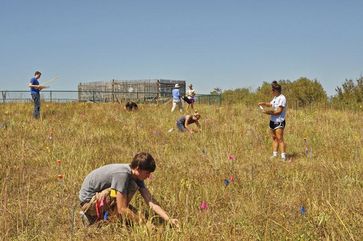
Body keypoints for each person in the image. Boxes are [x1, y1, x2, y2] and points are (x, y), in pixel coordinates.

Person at [79, 152, 179, 227]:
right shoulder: (123, 175)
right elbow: (122, 208)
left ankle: (107, 217)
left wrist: (169, 219)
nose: (149, 176)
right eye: (147, 173)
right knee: (130, 191)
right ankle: (93, 217)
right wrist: (145, 224)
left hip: (100, 198)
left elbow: (150, 201)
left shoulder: (136, 175)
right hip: (89, 203)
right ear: (138, 169)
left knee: (134, 213)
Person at [258, 81, 287, 161]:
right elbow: (270, 104)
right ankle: (274, 155)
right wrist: (263, 103)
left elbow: (278, 111)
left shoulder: (282, 98)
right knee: (274, 138)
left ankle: (283, 156)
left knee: (280, 139)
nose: (271, 92)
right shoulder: (275, 98)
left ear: (276, 90)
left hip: (279, 121)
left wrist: (267, 112)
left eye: (272, 90)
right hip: (272, 121)